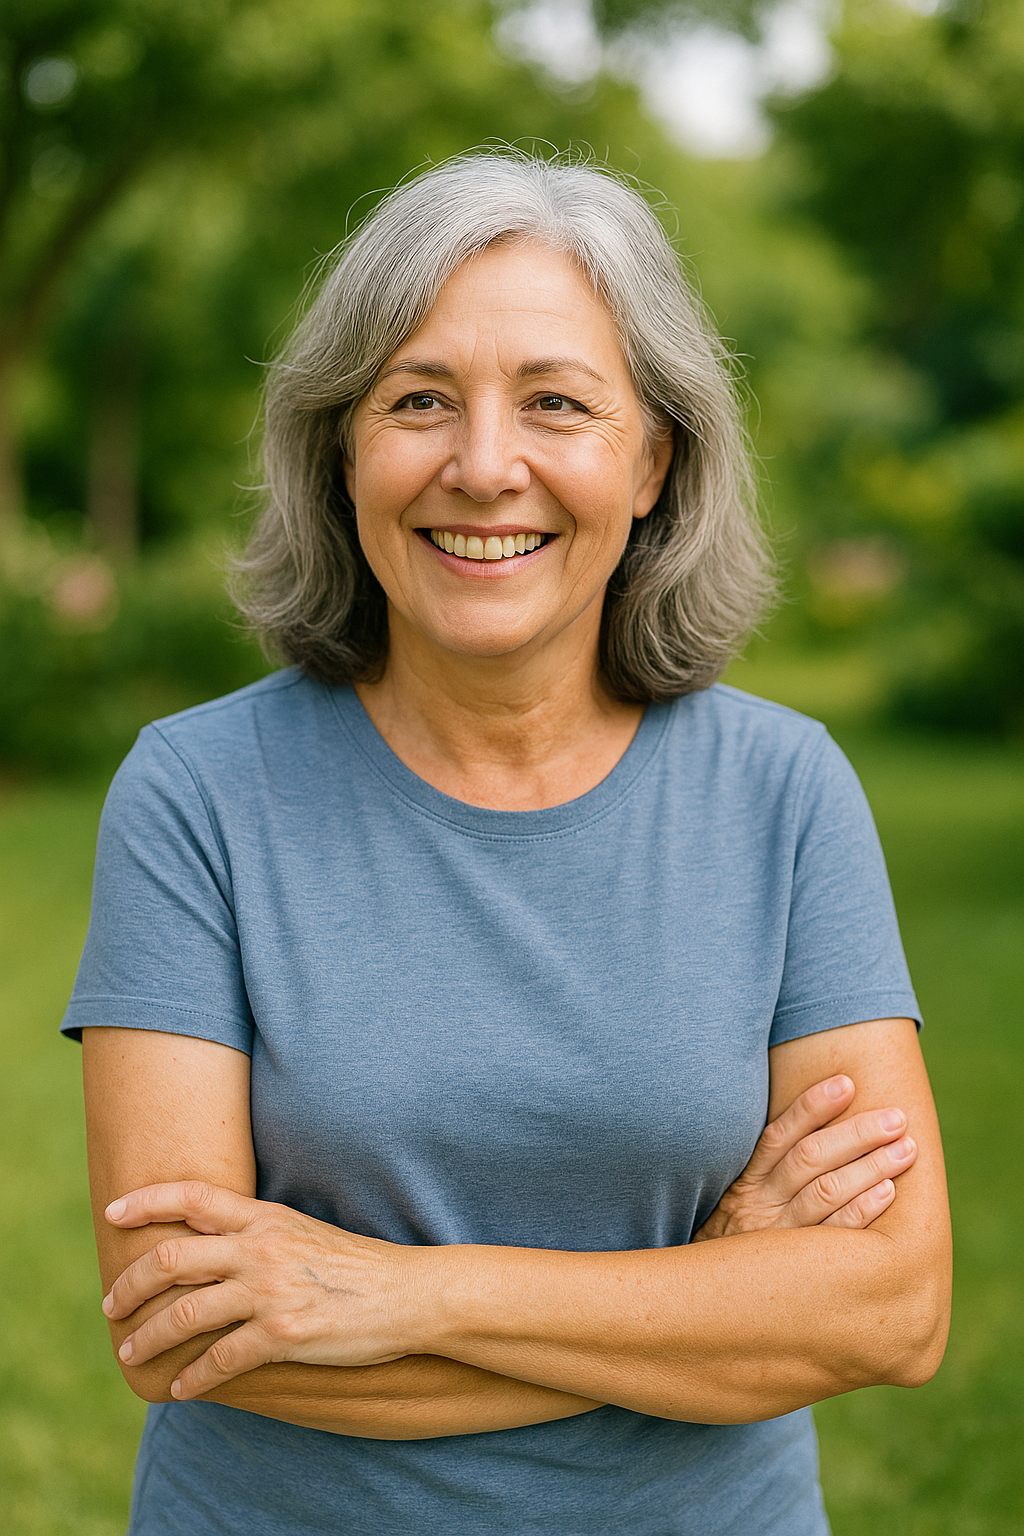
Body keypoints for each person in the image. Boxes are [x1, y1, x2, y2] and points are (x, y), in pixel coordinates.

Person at [64, 152, 951, 1536]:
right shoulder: (198, 793)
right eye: (420, 401)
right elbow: (181, 1331)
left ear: (652, 460)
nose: (485, 467)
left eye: (557, 404)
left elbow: (892, 1310)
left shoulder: (784, 790)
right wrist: (707, 1300)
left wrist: (400, 1294)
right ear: (343, 449)